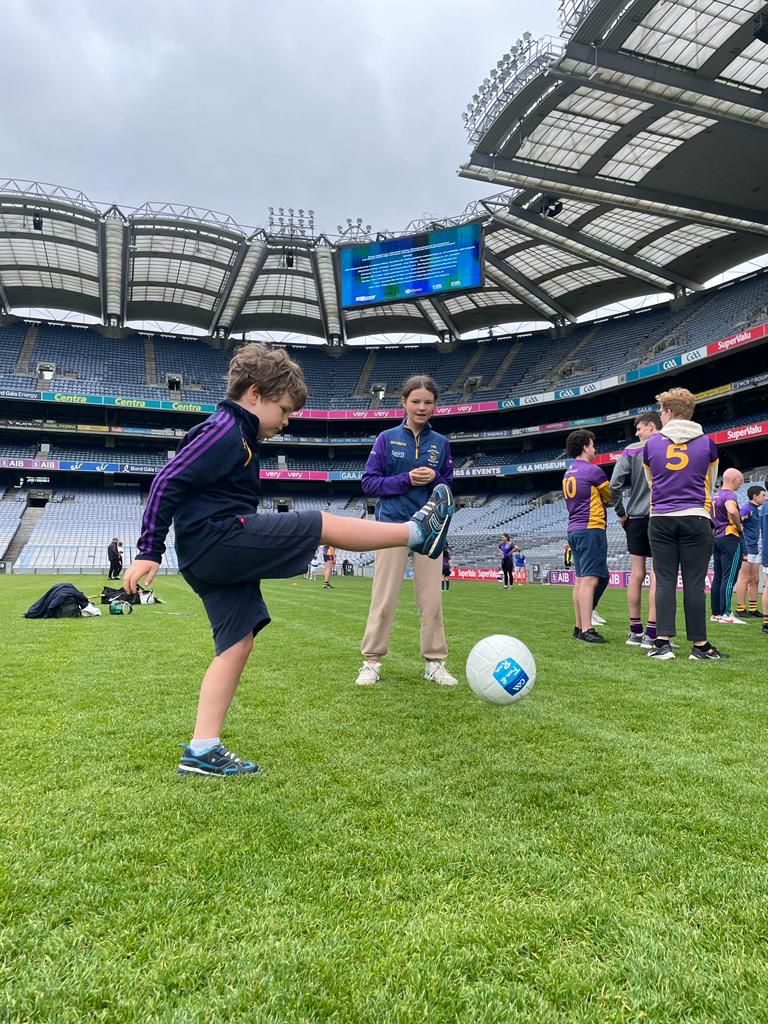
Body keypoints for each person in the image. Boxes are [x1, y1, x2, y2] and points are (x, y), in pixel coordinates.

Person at [123, 343, 454, 775]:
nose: (286, 420)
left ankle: (202, 749)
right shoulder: (224, 429)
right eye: (283, 409)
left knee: (237, 640)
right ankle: (416, 532)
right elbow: (167, 480)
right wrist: (149, 549)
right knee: (317, 522)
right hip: (217, 539)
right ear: (255, 394)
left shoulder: (238, 431)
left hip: (212, 551)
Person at [355, 374, 457, 687]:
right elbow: (369, 483)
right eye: (416, 401)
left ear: (435, 405)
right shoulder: (386, 438)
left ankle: (435, 663)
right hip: (392, 527)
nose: (422, 407)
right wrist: (407, 480)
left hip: (430, 528)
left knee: (431, 601)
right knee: (384, 598)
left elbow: (448, 487)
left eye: (428, 402)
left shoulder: (440, 443)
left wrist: (436, 478)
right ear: (404, 402)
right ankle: (371, 662)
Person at [642, 386, 722, 661]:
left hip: (662, 517)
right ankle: (700, 646)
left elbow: (652, 483)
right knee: (694, 583)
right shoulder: (708, 443)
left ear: (668, 412)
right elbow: (710, 479)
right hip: (696, 515)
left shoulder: (651, 444)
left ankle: (661, 643)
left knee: (664, 580)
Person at [609, 411, 662, 648]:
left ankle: (635, 631)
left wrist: (621, 513)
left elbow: (614, 485)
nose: (637, 433)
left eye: (639, 428)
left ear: (651, 426)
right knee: (657, 574)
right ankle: (652, 633)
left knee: (637, 573)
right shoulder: (669, 446)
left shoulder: (631, 450)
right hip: (661, 516)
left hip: (636, 518)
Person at [562, 429, 612, 643]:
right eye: (592, 445)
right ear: (585, 447)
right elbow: (610, 497)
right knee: (590, 581)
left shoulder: (568, 472)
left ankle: (579, 625)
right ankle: (586, 629)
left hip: (574, 529)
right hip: (591, 528)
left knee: (581, 581)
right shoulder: (593, 471)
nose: (595, 449)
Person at [710, 468, 746, 625]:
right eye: (741, 480)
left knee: (717, 577)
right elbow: (732, 510)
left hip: (716, 537)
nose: (741, 483)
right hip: (730, 536)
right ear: (734, 479)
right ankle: (727, 613)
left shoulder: (715, 495)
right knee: (729, 576)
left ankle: (716, 613)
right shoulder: (729, 495)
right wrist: (739, 526)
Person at [734, 484, 766, 618]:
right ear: (755, 496)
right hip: (746, 547)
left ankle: (753, 608)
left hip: (755, 548)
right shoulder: (747, 509)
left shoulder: (758, 510)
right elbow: (736, 521)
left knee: (755, 579)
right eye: (763, 495)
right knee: (744, 578)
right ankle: (740, 609)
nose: (765, 497)